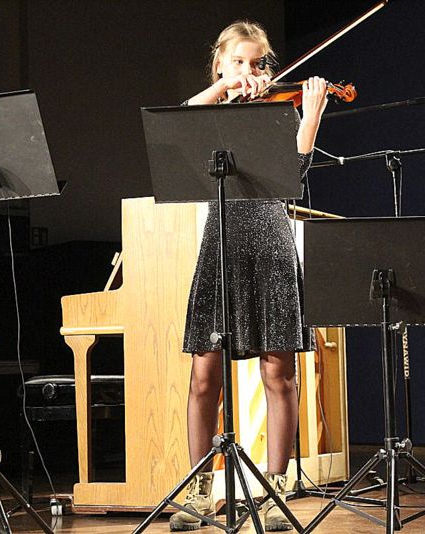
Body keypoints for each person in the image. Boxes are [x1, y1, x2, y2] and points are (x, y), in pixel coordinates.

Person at [170, 20, 328, 532]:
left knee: (278, 374)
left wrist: (310, 115)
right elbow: (183, 119)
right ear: (219, 63)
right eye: (238, 61)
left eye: (257, 63)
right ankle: (199, 491)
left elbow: (293, 176)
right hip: (221, 243)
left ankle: (277, 489)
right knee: (203, 377)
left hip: (270, 241)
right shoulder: (213, 110)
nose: (248, 70)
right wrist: (225, 88)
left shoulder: (275, 110)